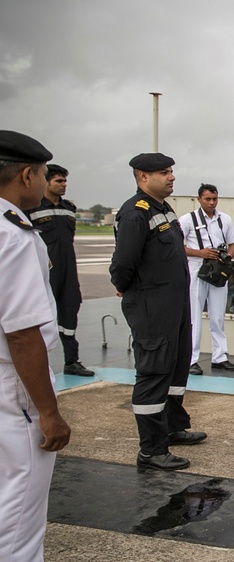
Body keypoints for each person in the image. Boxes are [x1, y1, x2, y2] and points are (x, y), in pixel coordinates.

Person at [0, 130, 72, 562]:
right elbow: (22, 333)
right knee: (20, 509)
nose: (45, 182)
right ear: (27, 175)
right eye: (44, 174)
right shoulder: (14, 235)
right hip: (14, 385)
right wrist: (48, 412)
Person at [110, 152, 207, 472]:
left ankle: (172, 427)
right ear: (143, 176)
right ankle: (151, 450)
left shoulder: (163, 209)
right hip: (152, 306)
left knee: (176, 368)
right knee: (153, 373)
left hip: (174, 304)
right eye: (164, 172)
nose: (171, 177)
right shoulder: (135, 213)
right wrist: (126, 287)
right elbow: (123, 263)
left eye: (171, 171)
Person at [25, 164, 94, 376]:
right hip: (44, 271)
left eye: (65, 181)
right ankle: (37, 364)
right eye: (59, 181)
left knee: (70, 311)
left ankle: (71, 361)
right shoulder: (32, 209)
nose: (64, 185)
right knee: (41, 316)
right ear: (46, 182)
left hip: (69, 270)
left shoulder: (69, 208)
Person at [179, 183, 234, 375]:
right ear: (199, 199)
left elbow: (233, 244)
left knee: (218, 315)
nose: (212, 203)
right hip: (196, 268)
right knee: (194, 316)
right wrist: (200, 253)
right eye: (208, 199)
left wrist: (227, 257)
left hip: (217, 270)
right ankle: (191, 360)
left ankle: (219, 357)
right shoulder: (187, 220)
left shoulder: (225, 219)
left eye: (214, 199)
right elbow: (177, 246)